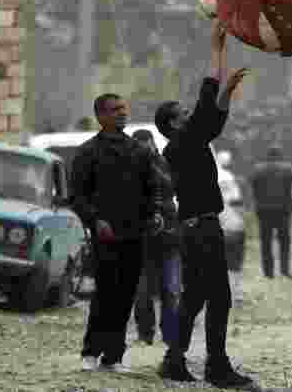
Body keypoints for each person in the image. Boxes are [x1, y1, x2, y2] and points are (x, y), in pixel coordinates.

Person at [154, 20, 253, 387]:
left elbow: (212, 118)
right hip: (201, 230)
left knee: (195, 299)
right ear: (173, 123)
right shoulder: (181, 143)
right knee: (220, 299)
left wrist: (226, 91)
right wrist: (216, 50)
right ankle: (217, 367)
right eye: (182, 113)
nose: (188, 114)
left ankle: (173, 360)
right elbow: (207, 103)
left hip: (195, 228)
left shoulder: (187, 143)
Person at [70, 93, 164, 374]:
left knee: (125, 295)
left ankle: (113, 356)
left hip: (135, 233)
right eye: (115, 110)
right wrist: (95, 219)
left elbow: (153, 188)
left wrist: (156, 212)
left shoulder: (140, 151)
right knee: (105, 293)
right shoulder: (88, 152)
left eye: (124, 109)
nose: (122, 113)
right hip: (105, 235)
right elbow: (77, 195)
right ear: (101, 116)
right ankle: (91, 352)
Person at [131, 129, 182, 351]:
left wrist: (151, 167)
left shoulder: (165, 163)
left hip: (169, 239)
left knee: (170, 291)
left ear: (153, 144)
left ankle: (170, 336)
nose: (144, 150)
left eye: (147, 146)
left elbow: (174, 187)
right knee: (142, 294)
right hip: (141, 243)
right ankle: (145, 335)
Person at [249, 146, 292, 279]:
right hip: (283, 210)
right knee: (284, 241)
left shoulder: (258, 169)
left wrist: (258, 200)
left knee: (266, 242)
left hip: (263, 210)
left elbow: (251, 185)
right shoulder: (289, 169)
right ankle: (285, 270)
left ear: (267, 156)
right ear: (280, 156)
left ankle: (268, 273)